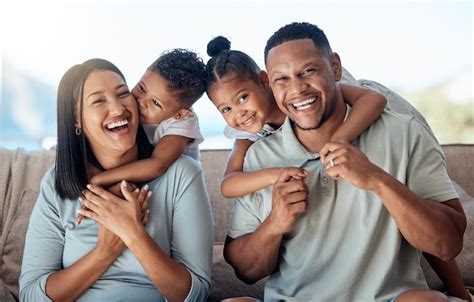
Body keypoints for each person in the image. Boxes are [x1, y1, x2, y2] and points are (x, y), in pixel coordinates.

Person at [223, 22, 469, 301]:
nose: (298, 89)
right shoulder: (258, 156)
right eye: (282, 79)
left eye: (309, 71)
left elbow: (447, 245)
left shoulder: (403, 132)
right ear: (269, 82)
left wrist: (378, 180)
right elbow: (246, 271)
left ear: (335, 67)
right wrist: (274, 224)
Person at [19, 58, 214, 301]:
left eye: (122, 94)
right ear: (76, 120)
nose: (118, 108)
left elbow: (196, 294)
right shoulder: (59, 182)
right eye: (99, 100)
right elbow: (30, 296)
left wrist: (133, 233)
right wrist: (105, 251)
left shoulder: (182, 174)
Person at [204, 36, 387, 199]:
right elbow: (228, 184)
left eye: (243, 98)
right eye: (226, 109)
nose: (239, 113)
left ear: (264, 80)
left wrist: (338, 140)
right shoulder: (248, 132)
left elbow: (373, 98)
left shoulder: (299, 95)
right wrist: (276, 174)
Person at [87, 49, 206, 188]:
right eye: (142, 88)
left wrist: (99, 179)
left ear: (179, 114)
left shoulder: (183, 122)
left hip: (174, 182)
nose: (141, 102)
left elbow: (158, 165)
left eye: (155, 103)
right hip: (140, 170)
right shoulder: (134, 109)